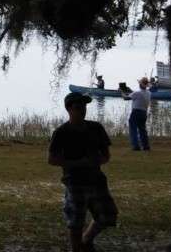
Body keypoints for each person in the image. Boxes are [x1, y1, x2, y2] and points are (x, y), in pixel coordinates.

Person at [48, 92, 118, 252]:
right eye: (78, 107)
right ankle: (77, 248)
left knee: (108, 215)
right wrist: (78, 163)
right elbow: (52, 159)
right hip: (74, 181)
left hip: (97, 179)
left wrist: (97, 161)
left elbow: (106, 155)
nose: (83, 110)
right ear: (69, 109)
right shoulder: (61, 132)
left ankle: (86, 240)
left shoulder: (96, 128)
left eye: (84, 106)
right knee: (76, 222)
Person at [123, 77, 151, 151]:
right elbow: (136, 94)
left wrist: (122, 92)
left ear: (140, 85)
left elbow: (125, 98)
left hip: (136, 112)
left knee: (133, 129)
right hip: (144, 113)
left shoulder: (137, 93)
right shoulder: (149, 93)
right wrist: (129, 90)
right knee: (142, 130)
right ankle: (146, 146)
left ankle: (136, 146)